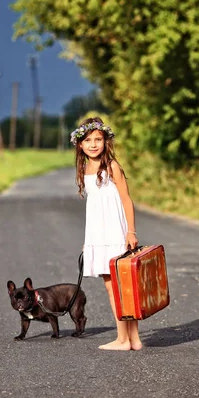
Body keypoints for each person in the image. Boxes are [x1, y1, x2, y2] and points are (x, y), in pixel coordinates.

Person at [71, 116, 143, 351]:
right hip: (98, 236)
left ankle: (125, 339)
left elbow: (126, 199)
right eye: (88, 140)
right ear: (80, 144)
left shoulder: (111, 166)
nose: (93, 144)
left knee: (120, 287)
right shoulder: (84, 168)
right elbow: (93, 209)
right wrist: (87, 242)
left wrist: (131, 231)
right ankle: (131, 339)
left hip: (115, 233)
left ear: (105, 141)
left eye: (98, 139)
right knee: (113, 286)